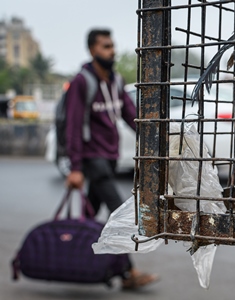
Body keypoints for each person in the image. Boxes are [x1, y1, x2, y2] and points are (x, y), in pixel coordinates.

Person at [65, 28, 158, 289]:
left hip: (109, 156)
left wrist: (154, 139)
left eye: (112, 45)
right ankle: (128, 273)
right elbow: (73, 127)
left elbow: (131, 116)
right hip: (92, 158)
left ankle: (71, 257)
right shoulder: (82, 82)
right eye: (106, 46)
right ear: (93, 50)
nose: (112, 51)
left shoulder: (115, 81)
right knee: (118, 210)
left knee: (88, 214)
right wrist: (74, 167)